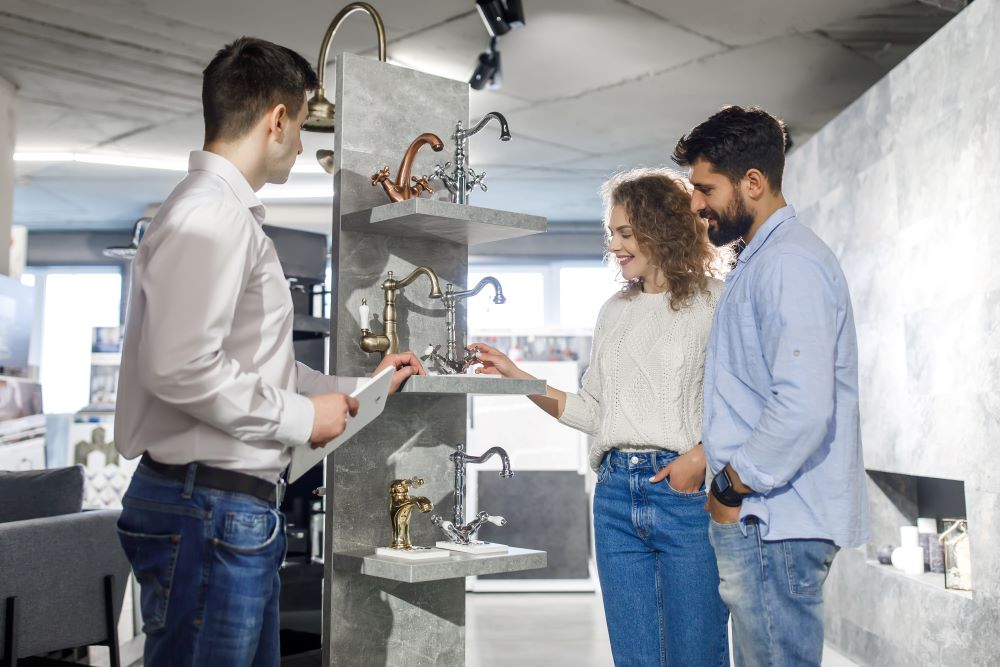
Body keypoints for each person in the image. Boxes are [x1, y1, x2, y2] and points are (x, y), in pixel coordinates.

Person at [113, 37, 425, 664]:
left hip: (224, 511)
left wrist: (353, 389)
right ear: (277, 119)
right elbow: (181, 366)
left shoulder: (220, 214)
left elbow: (256, 364)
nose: (306, 145)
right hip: (208, 510)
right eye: (304, 123)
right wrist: (306, 418)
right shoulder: (210, 217)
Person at [470, 168, 729, 666]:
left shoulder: (714, 302)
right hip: (614, 498)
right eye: (612, 233)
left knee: (696, 656)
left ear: (662, 230)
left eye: (625, 233)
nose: (614, 245)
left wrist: (699, 457)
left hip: (685, 498)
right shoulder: (614, 310)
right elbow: (594, 411)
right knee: (635, 659)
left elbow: (740, 401)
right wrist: (518, 376)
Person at [672, 105, 869, 666]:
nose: (695, 203)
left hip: (771, 519)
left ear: (752, 183)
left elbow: (804, 407)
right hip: (767, 518)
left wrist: (733, 485)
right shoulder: (764, 260)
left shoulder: (788, 263)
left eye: (705, 188)